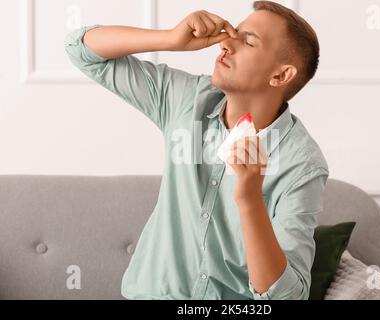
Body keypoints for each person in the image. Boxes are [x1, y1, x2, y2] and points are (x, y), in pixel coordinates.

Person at [64, 0, 329, 300]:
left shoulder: (302, 165)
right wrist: (169, 39)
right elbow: (81, 49)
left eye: (248, 41)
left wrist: (250, 199)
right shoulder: (186, 100)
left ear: (281, 76)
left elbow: (288, 296)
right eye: (235, 32)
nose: (227, 42)